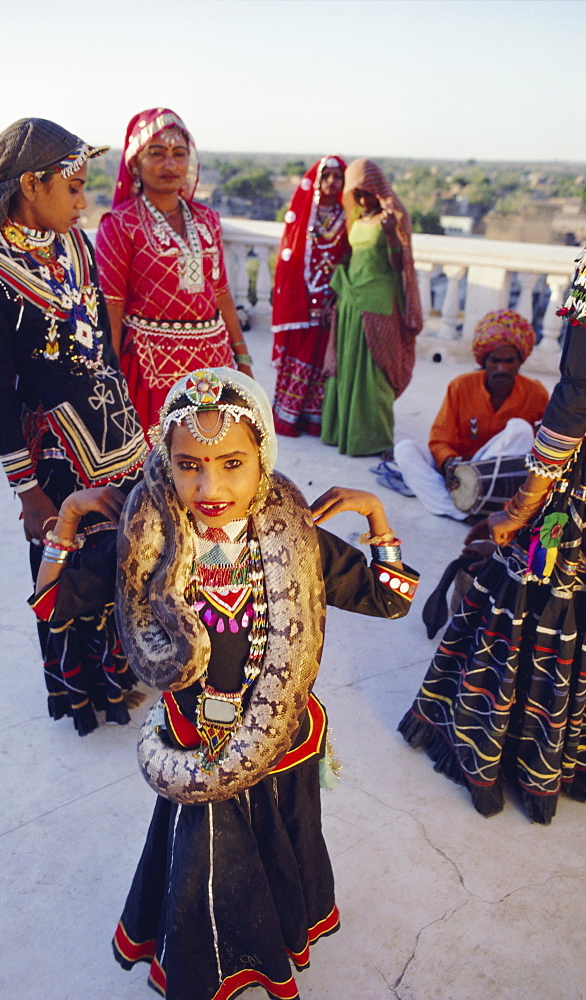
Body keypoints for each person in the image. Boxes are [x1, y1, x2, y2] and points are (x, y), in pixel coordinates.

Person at [49, 366, 417, 1000]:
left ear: (263, 461)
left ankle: (272, 943)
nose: (210, 485)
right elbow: (53, 604)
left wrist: (378, 518)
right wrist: (69, 519)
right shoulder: (150, 535)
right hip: (197, 743)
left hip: (286, 740)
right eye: (189, 464)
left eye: (231, 464)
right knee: (205, 870)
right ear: (167, 462)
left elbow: (392, 600)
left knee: (283, 843)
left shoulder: (297, 538)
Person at [398, 100, 586, 825]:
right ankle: (584, 750)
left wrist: (526, 502)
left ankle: (508, 759)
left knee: (538, 582)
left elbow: (579, 392)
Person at [0, 117, 149, 736]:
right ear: (32, 185)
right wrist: (28, 492)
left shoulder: (77, 247)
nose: (83, 200)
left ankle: (122, 678)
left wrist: (131, 425)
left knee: (124, 564)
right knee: (71, 574)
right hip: (59, 461)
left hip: (115, 437)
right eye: (73, 187)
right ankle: (81, 694)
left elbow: (102, 349)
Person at [96, 108, 252, 437]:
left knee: (213, 457)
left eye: (179, 154)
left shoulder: (207, 219)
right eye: (157, 154)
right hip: (149, 367)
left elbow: (221, 292)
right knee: (159, 466)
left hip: (214, 364)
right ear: (135, 163)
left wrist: (243, 360)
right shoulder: (120, 224)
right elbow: (112, 304)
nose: (170, 164)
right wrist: (109, 376)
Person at [391, 310, 550, 519]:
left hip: (495, 476)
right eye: (495, 361)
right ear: (484, 361)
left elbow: (543, 446)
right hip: (459, 470)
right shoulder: (461, 386)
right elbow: (439, 440)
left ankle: (470, 502)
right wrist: (450, 465)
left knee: (520, 429)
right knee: (405, 450)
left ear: (520, 361)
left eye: (509, 361)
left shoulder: (535, 393)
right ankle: (459, 509)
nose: (502, 368)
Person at [321, 158, 423, 457]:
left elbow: (399, 265)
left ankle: (373, 439)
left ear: (379, 189)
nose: (363, 199)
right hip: (351, 299)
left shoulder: (394, 217)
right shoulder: (356, 217)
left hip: (379, 304)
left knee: (375, 371)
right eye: (357, 192)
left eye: (368, 191)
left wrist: (392, 234)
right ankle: (342, 432)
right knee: (347, 367)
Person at [271, 156, 349, 437]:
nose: (331, 181)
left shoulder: (346, 215)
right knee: (300, 353)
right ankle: (287, 416)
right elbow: (289, 253)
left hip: (331, 298)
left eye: (337, 176)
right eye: (326, 175)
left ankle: (315, 419)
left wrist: (338, 299)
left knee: (322, 358)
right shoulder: (306, 212)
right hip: (302, 296)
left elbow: (348, 258)